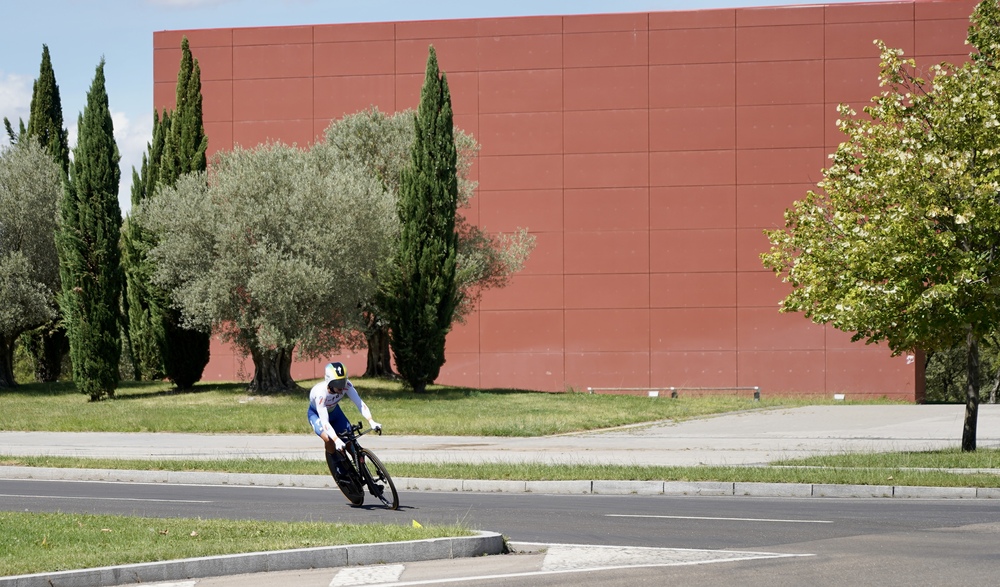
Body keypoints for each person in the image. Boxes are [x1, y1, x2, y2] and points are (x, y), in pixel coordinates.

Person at [308, 361, 381, 457]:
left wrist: (371, 421)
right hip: (316, 415)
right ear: (329, 382)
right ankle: (335, 463)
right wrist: (336, 439)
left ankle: (359, 465)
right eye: (337, 383)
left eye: (343, 382)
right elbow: (324, 421)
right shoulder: (320, 394)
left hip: (335, 412)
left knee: (350, 440)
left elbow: (359, 403)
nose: (341, 387)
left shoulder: (347, 386)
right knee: (328, 439)